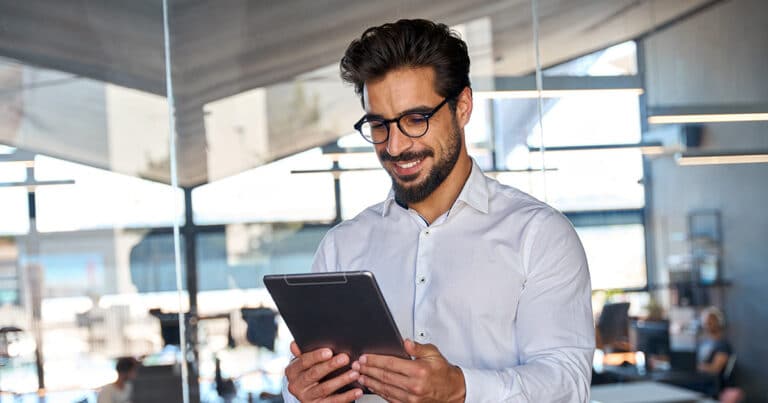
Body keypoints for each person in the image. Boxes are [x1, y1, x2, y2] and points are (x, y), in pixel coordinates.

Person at [283, 19, 594, 402]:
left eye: (416, 120)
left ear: (462, 106)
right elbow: (315, 380)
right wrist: (298, 390)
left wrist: (461, 388)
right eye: (379, 125)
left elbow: (567, 384)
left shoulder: (539, 235)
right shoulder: (342, 246)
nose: (395, 146)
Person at [697, 307, 732, 379]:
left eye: (710, 322)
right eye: (705, 322)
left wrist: (696, 366)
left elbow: (715, 369)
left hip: (710, 383)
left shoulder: (722, 344)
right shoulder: (704, 342)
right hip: (698, 378)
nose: (707, 324)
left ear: (719, 322)